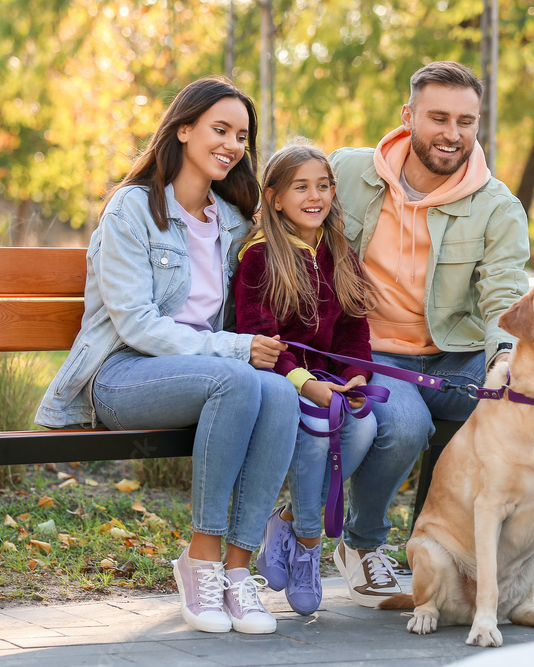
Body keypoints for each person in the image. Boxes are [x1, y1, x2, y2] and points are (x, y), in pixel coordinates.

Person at [34, 76, 299, 635]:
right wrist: (233, 349)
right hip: (123, 375)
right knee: (241, 380)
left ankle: (236, 569)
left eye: (241, 136)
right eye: (219, 129)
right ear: (183, 129)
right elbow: (136, 323)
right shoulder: (133, 210)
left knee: (276, 389)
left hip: (208, 376)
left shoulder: (232, 221)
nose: (231, 144)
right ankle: (200, 558)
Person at [328, 61, 531, 606]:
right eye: (438, 117)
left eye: (466, 121)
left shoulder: (496, 205)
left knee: (525, 408)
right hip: (367, 353)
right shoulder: (347, 173)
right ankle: (361, 543)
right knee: (407, 425)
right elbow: (282, 219)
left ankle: (496, 554)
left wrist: (505, 360)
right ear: (409, 116)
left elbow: (505, 293)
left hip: (453, 355)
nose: (453, 134)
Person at [233, 141, 377, 616]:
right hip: (281, 380)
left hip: (333, 381)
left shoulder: (339, 251)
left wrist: (355, 377)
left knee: (367, 427)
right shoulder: (259, 257)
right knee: (317, 436)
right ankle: (309, 548)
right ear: (274, 198)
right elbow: (257, 335)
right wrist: (303, 381)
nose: (315, 195)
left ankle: (290, 520)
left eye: (324, 186)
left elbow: (355, 326)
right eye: (301, 187)